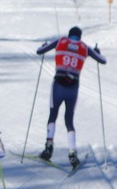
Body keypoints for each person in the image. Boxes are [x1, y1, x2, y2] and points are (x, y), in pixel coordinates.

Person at [34, 26, 107, 170]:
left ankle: (48, 149)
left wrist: (43, 46)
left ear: (69, 35)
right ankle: (72, 154)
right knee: (69, 120)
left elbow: (39, 51)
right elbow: (102, 60)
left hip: (58, 85)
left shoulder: (61, 41)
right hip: (73, 87)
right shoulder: (84, 47)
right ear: (79, 37)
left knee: (53, 115)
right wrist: (97, 52)